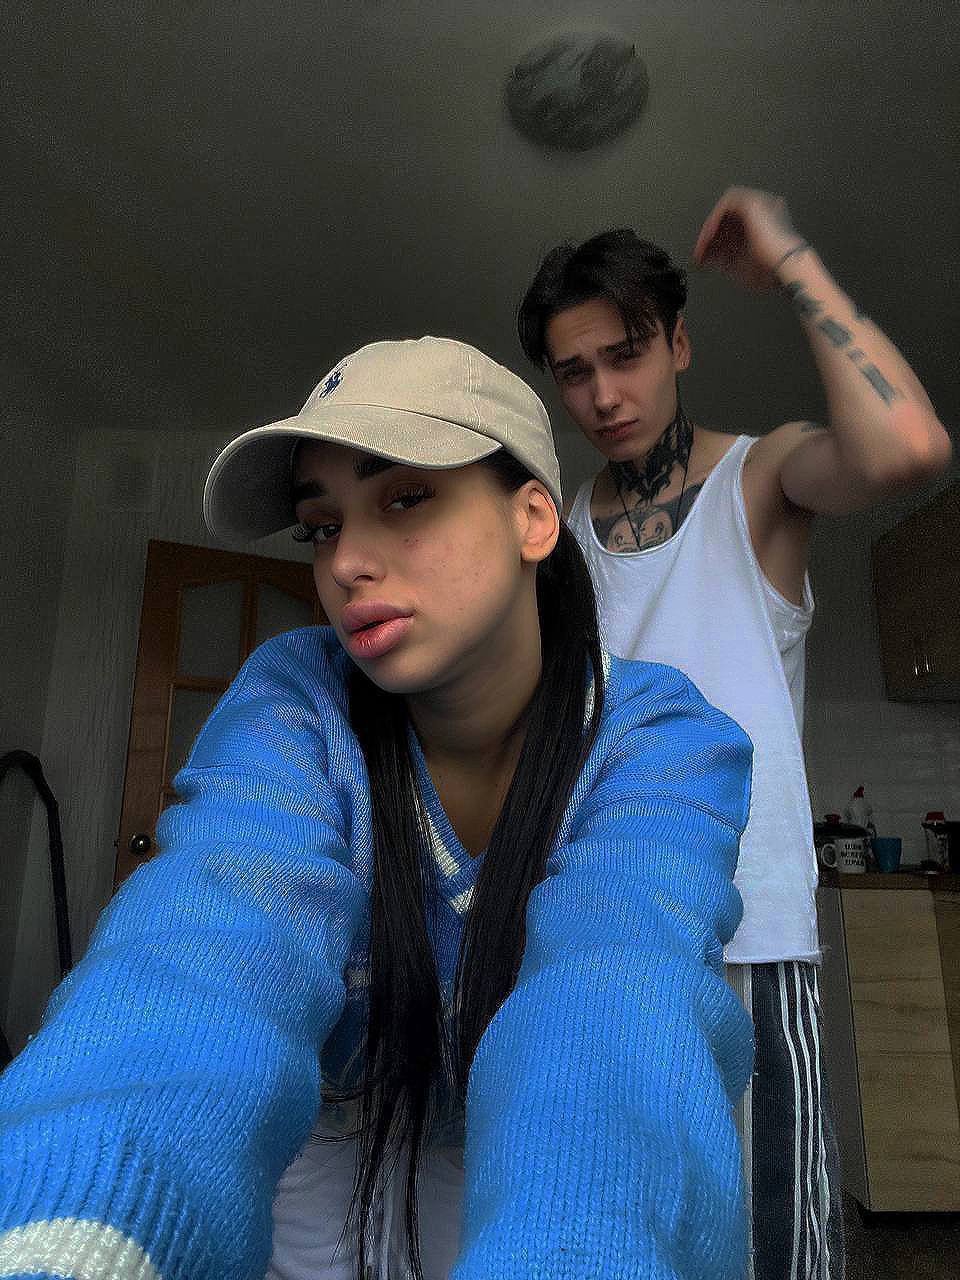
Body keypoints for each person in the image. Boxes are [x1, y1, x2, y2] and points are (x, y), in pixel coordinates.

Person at [0, 336, 755, 1280]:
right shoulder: (297, 699)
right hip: (321, 1149)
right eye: (321, 527)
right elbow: (210, 938)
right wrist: (78, 1232)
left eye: (404, 499)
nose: (347, 563)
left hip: (527, 1157)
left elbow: (622, 994)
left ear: (531, 518)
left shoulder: (662, 738)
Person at [517, 187, 952, 1280]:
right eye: (575, 371)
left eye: (626, 355)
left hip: (747, 932)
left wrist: (792, 260)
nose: (603, 394)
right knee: (624, 1229)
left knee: (770, 1244)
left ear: (679, 343)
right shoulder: (556, 535)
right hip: (599, 932)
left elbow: (907, 448)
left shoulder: (760, 479)